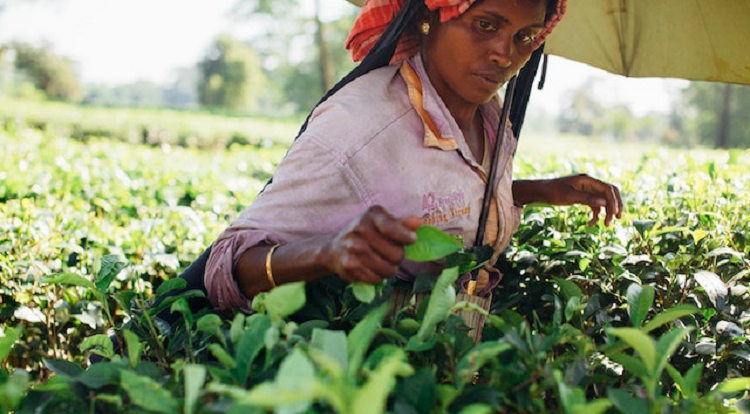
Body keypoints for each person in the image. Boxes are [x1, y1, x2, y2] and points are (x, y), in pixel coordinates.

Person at [203, 0, 623, 313]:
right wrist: (328, 251)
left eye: (525, 37)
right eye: (485, 25)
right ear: (429, 16)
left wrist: (540, 191)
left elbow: (435, 194)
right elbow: (229, 264)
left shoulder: (488, 114)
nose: (505, 54)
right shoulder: (360, 125)